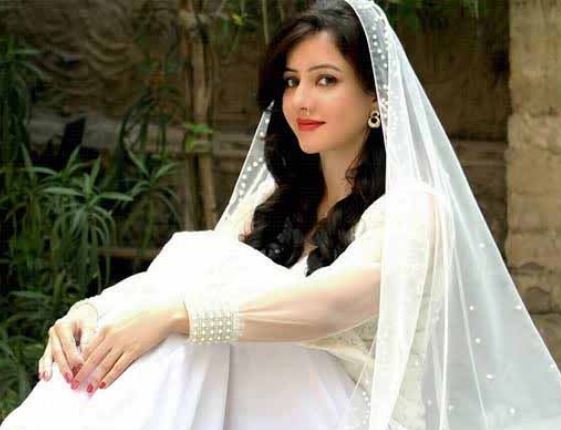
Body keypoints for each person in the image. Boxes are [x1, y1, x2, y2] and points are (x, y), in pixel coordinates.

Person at [2, 1, 561, 429]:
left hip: (350, 415)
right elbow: (180, 280)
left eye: (326, 80)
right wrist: (92, 313)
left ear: (376, 99)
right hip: (267, 408)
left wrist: (175, 317)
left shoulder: (414, 209)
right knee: (199, 270)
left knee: (205, 286)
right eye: (292, 82)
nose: (301, 100)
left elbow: (326, 307)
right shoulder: (277, 202)